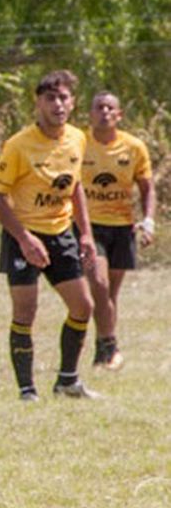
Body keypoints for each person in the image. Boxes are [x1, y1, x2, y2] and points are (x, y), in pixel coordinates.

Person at [0, 70, 98, 401]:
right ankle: (27, 390)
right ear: (38, 104)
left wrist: (86, 234)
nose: (58, 105)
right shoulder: (19, 145)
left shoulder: (77, 138)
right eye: (51, 98)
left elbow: (75, 186)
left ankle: (67, 381)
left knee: (83, 306)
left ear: (72, 103)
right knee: (25, 311)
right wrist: (23, 238)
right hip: (24, 235)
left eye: (63, 98)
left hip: (61, 233)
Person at [80, 91, 156, 371]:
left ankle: (105, 350)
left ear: (119, 115)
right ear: (90, 113)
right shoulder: (79, 142)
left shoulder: (133, 147)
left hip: (122, 227)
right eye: (98, 107)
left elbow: (147, 187)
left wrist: (148, 220)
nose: (104, 112)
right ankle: (110, 346)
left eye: (110, 108)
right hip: (89, 227)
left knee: (110, 294)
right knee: (98, 286)